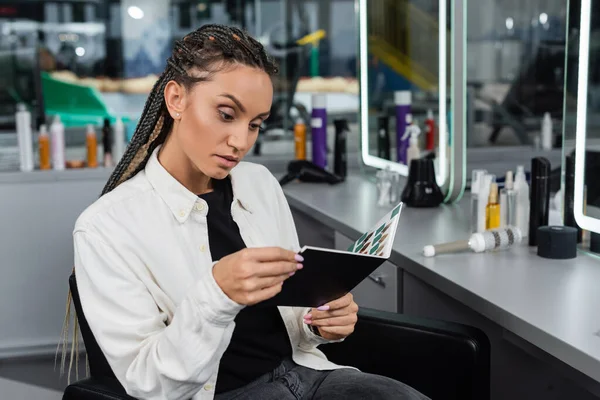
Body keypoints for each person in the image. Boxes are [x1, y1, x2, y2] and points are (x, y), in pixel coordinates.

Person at [70, 24, 429, 400]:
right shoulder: (105, 227)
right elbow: (150, 383)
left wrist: (320, 323)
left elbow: (289, 316)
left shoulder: (258, 183)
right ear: (176, 99)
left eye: (255, 124)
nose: (241, 142)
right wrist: (216, 294)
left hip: (307, 374)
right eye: (226, 114)